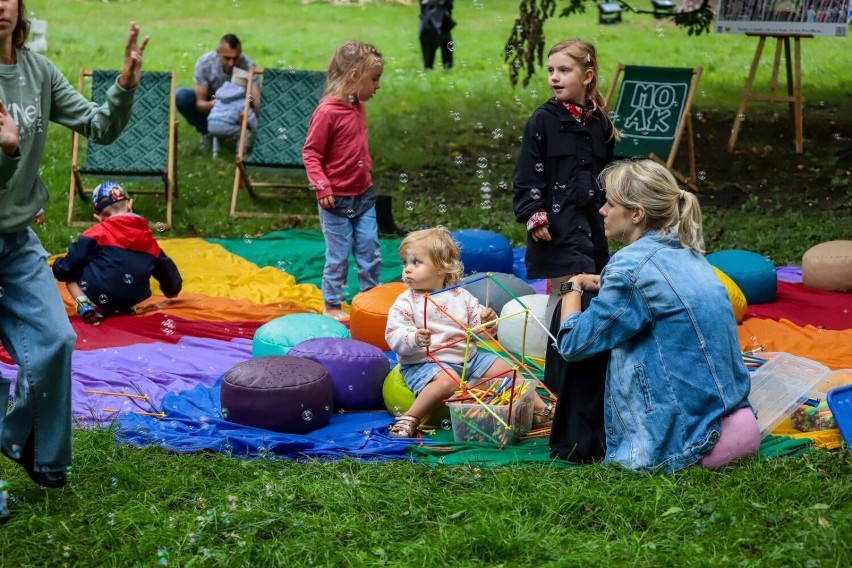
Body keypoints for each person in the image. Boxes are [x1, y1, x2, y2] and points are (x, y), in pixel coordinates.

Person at [0, 2, 147, 496]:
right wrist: (8, 155)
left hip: (16, 240)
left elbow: (100, 127)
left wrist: (124, 85)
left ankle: (29, 446)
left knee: (55, 341)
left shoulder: (36, 71)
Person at [555, 159, 760, 473]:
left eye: (610, 204)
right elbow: (648, 289)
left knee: (573, 311)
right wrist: (598, 281)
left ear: (636, 214)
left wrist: (571, 286)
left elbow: (573, 345)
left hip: (685, 442)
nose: (602, 211)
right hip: (735, 421)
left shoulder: (628, 267)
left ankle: (573, 439)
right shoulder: (689, 252)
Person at [512, 38, 618, 463]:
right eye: (551, 70)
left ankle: (583, 378)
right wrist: (533, 213)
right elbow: (527, 172)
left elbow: (605, 175)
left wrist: (613, 211)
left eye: (564, 70)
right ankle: (560, 387)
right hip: (554, 228)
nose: (555, 77)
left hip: (591, 226)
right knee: (566, 295)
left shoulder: (600, 123)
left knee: (590, 295)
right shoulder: (543, 120)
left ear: (587, 76)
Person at [385, 227, 554, 438]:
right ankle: (410, 418)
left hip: (467, 359)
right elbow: (393, 334)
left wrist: (486, 322)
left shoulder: (460, 295)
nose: (407, 269)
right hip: (424, 363)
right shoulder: (406, 301)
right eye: (405, 263)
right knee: (448, 382)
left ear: (441, 267)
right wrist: (414, 338)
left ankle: (541, 411)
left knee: (508, 370)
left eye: (416, 263)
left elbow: (479, 330)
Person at [302, 40, 384, 323]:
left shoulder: (358, 105)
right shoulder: (327, 112)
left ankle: (370, 299)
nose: (378, 86)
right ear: (354, 76)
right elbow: (311, 153)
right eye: (374, 79)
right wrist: (322, 186)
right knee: (338, 256)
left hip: (364, 195)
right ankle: (332, 304)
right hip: (335, 199)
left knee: (369, 248)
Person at [52, 182, 183, 325]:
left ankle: (84, 305)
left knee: (72, 272)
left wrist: (57, 267)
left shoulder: (97, 233)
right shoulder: (147, 237)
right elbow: (166, 269)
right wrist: (172, 290)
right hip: (134, 296)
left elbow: (70, 265)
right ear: (129, 204)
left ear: (99, 216)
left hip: (101, 294)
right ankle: (124, 307)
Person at [175, 33, 259, 139]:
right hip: (212, 101)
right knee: (182, 96)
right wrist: (219, 104)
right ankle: (207, 131)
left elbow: (256, 101)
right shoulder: (205, 63)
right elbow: (200, 104)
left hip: (240, 106)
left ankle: (242, 132)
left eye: (235, 58)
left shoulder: (248, 65)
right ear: (218, 52)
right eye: (227, 58)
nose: (231, 63)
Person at [207, 67, 257, 157]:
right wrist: (257, 129)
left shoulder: (220, 96)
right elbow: (250, 116)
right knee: (244, 133)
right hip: (225, 125)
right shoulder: (242, 101)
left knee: (218, 131)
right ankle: (241, 153)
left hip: (211, 124)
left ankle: (215, 153)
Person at [418, 0, 455, 70]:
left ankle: (448, 65)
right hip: (428, 10)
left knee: (446, 36)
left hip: (444, 8)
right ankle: (428, 65)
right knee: (428, 36)